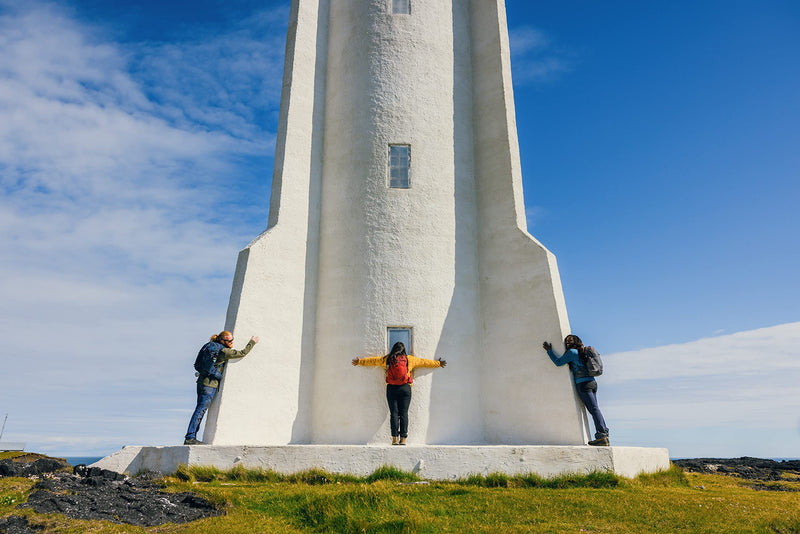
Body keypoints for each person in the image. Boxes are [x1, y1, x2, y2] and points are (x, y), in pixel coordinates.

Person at [352, 341, 446, 445]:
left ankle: (394, 438)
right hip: (405, 388)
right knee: (404, 414)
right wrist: (438, 363)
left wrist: (359, 362)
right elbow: (423, 362)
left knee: (394, 414)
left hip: (392, 388)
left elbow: (374, 361)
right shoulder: (410, 359)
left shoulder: (388, 359)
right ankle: (403, 439)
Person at [184, 331, 259, 445]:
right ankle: (190, 437)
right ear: (222, 341)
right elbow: (242, 353)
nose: (232, 342)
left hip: (201, 382)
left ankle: (191, 436)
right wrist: (252, 342)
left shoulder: (211, 346)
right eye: (229, 341)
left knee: (199, 409)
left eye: (232, 339)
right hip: (210, 385)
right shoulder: (223, 351)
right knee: (200, 410)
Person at [542, 334, 610, 446]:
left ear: (576, 342)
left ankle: (602, 435)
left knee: (594, 410)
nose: (568, 343)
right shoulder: (583, 352)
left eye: (570, 341)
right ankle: (604, 435)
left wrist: (549, 351)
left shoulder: (572, 353)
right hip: (592, 383)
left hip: (583, 384)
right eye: (567, 341)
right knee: (595, 409)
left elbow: (558, 362)